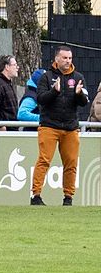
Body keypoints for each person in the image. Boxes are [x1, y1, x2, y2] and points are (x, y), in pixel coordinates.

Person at [31, 45, 88, 206]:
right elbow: (41, 99)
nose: (68, 61)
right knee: (44, 160)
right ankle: (36, 195)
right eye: (64, 58)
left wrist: (79, 94)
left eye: (70, 58)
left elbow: (84, 103)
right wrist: (54, 91)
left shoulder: (78, 77)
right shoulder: (46, 77)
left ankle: (68, 197)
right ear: (57, 59)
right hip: (49, 126)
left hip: (70, 127)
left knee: (71, 163)